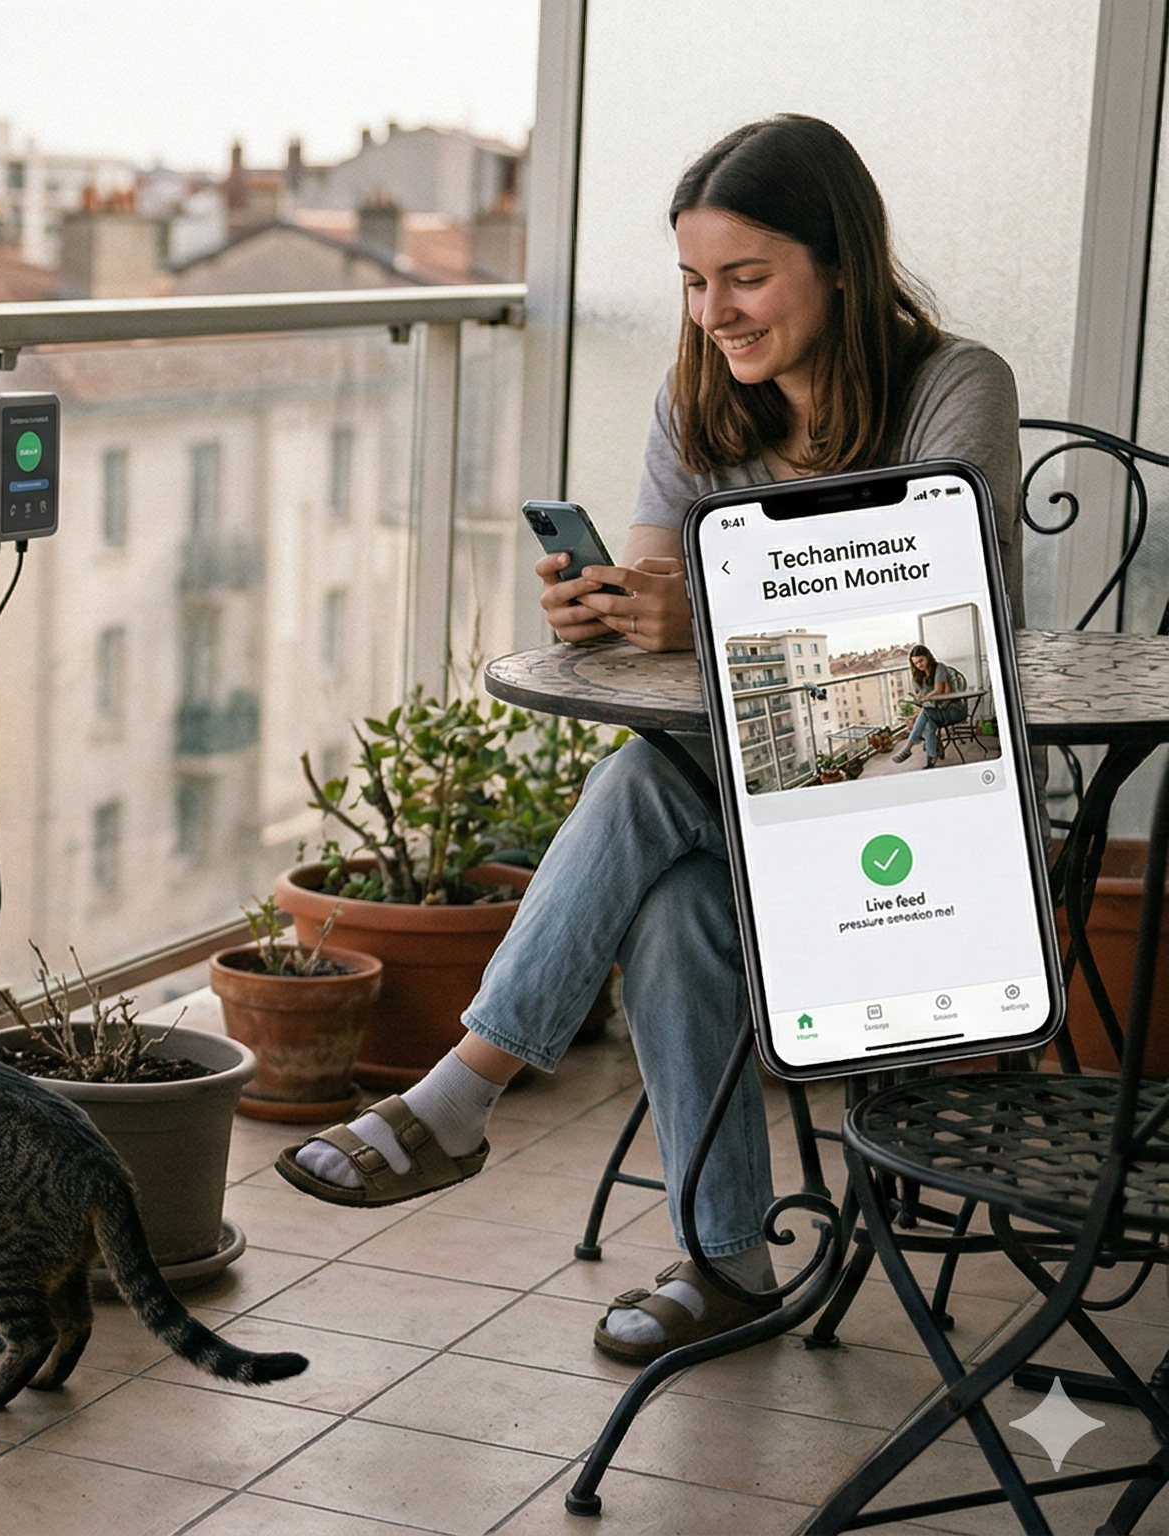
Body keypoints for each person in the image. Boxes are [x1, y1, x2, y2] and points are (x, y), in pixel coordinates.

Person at [273, 113, 1021, 1364]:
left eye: (743, 277)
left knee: (648, 777)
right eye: (691, 282)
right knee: (674, 891)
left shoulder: (956, 387)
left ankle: (459, 1096)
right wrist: (604, 608)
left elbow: (945, 644)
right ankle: (725, 1262)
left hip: (916, 828)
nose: (712, 314)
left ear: (836, 261)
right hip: (745, 821)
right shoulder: (699, 409)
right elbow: (666, 611)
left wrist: (718, 610)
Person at [890, 643, 972, 766]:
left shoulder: (940, 667)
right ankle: (931, 761)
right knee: (928, 725)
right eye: (916, 663)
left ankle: (907, 748)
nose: (919, 665)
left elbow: (939, 691)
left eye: (921, 661)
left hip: (953, 710)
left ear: (928, 657)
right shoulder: (919, 676)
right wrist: (917, 697)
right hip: (936, 712)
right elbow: (921, 698)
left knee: (925, 713)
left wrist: (926, 697)